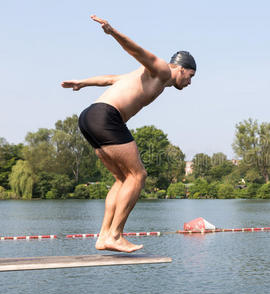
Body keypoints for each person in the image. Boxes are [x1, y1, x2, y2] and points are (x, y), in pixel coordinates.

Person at [61, 15, 196, 253]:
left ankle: (104, 237)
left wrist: (83, 82)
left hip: (89, 117)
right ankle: (115, 234)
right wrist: (113, 32)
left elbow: (111, 79)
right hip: (106, 117)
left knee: (123, 179)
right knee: (138, 175)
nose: (189, 82)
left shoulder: (149, 78)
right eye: (190, 76)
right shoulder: (163, 69)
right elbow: (136, 50)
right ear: (182, 68)